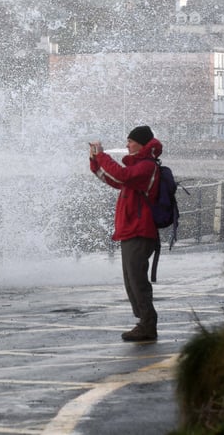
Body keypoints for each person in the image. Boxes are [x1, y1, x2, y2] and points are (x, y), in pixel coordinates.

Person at [89, 125, 161, 342]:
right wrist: (95, 162)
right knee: (131, 280)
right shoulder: (137, 168)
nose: (127, 145)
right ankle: (143, 322)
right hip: (130, 230)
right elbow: (114, 179)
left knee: (137, 280)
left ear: (141, 143)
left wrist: (102, 155)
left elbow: (121, 175)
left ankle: (148, 324)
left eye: (130, 141)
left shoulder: (146, 166)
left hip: (140, 230)